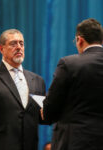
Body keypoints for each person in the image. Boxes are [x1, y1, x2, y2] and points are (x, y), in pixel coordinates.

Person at [42, 18, 103, 150]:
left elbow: (51, 105)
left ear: (79, 40)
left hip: (74, 142)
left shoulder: (69, 64)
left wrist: (45, 113)